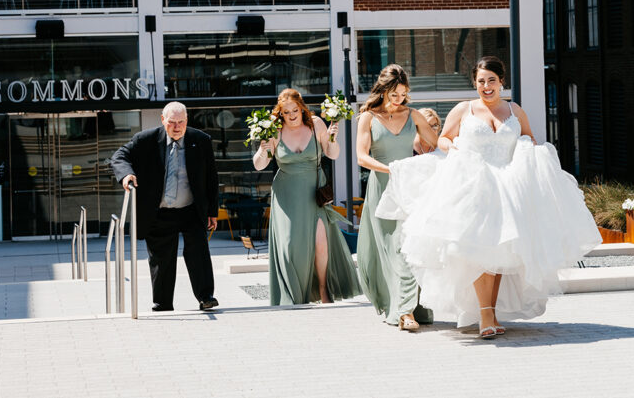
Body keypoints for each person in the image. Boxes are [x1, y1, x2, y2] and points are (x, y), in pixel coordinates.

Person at [376, 56, 601, 339]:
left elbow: (530, 138)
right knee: (480, 250)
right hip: (475, 186)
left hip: (509, 187)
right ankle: (485, 315)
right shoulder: (464, 110)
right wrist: (456, 150)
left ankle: (490, 312)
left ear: (501, 81)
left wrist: (526, 150)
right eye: (480, 81)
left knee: (500, 253)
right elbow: (443, 139)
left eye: (491, 80)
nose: (486, 86)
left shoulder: (515, 110)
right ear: (475, 83)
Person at [252, 88, 360, 306]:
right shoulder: (274, 130)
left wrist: (332, 138)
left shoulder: (316, 124)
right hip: (287, 194)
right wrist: (263, 150)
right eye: (286, 112)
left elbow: (333, 154)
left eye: (295, 110)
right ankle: (294, 294)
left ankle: (323, 289)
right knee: (291, 246)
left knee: (321, 244)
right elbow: (259, 164)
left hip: (314, 191)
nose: (291, 115)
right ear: (280, 113)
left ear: (301, 108)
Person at [110, 102, 218, 312]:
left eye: (181, 122)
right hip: (159, 211)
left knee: (199, 253)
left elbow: (211, 177)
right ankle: (163, 302)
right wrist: (126, 174)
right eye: (172, 122)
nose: (177, 127)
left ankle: (206, 297)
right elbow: (119, 156)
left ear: (187, 121)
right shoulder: (145, 140)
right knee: (161, 259)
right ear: (162, 120)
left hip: (191, 209)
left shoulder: (201, 140)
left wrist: (212, 211)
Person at [355, 64, 439, 331]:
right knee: (391, 251)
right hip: (381, 190)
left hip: (409, 189)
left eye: (403, 94)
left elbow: (437, 143)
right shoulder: (369, 117)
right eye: (394, 93)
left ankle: (410, 310)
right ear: (383, 89)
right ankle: (403, 310)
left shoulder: (413, 115)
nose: (399, 99)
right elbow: (361, 156)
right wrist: (390, 168)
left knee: (408, 246)